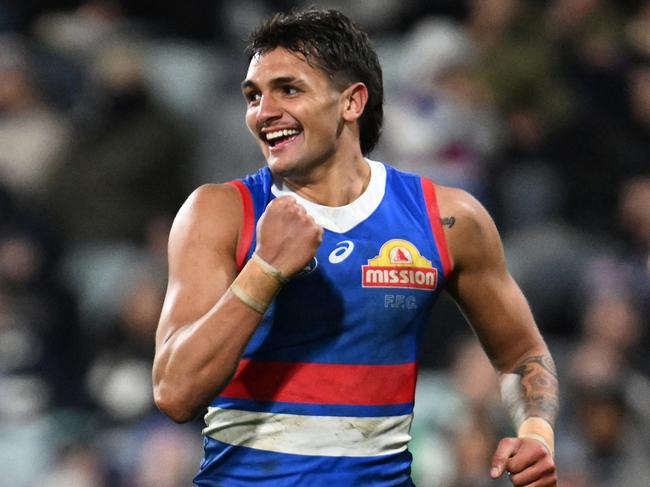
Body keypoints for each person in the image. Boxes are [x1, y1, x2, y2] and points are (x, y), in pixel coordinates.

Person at [152, 8, 559, 486]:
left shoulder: (447, 220)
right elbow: (174, 392)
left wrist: (536, 431)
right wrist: (264, 269)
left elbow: (522, 354)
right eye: (253, 95)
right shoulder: (219, 213)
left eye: (289, 89)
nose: (263, 112)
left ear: (352, 102)